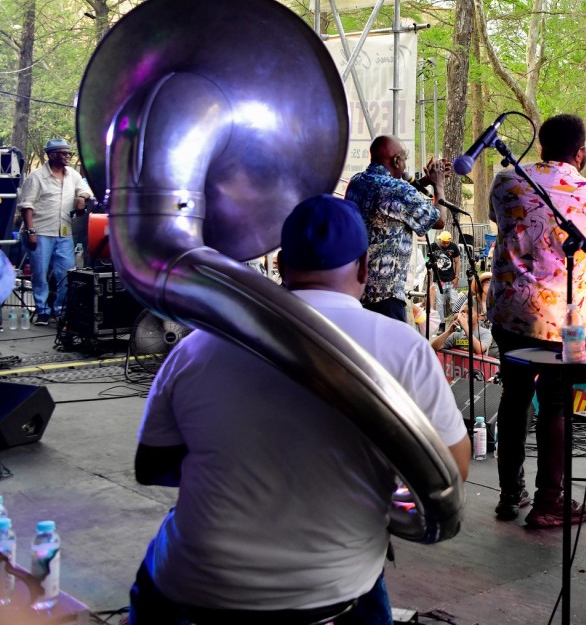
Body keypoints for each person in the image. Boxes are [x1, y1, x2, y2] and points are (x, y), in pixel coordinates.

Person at [128, 195, 470, 623]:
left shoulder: (196, 346)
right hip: (334, 589)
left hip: (196, 586)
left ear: (281, 264)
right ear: (365, 267)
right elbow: (453, 469)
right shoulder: (405, 347)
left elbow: (152, 464)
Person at [489, 114, 586, 528]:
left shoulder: (506, 181)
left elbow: (504, 223)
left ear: (539, 146)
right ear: (581, 153)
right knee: (557, 405)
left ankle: (510, 495)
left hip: (512, 312)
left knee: (514, 397)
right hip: (569, 320)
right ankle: (549, 501)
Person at [345, 135, 447, 322]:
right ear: (396, 160)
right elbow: (438, 220)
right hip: (384, 297)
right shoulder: (396, 190)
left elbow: (397, 199)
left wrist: (425, 181)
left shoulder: (357, 182)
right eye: (405, 159)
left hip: (355, 290)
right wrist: (438, 185)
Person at [16, 138, 93, 325]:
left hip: (63, 232)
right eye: (63, 153)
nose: (68, 156)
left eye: (69, 153)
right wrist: (31, 231)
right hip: (40, 231)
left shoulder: (72, 175)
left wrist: (82, 198)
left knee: (66, 274)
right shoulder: (37, 177)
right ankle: (42, 311)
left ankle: (60, 310)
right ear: (51, 155)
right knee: (40, 274)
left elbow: (86, 190)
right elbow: (26, 206)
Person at [428, 230, 461, 317]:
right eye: (444, 242)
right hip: (439, 281)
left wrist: (457, 277)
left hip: (451, 280)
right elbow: (428, 262)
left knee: (455, 302)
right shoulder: (433, 246)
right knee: (439, 303)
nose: (446, 244)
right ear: (440, 240)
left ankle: (457, 322)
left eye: (447, 243)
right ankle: (441, 324)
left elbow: (457, 262)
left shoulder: (453, 246)